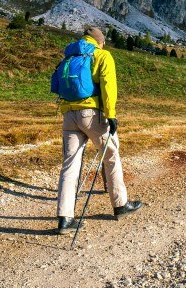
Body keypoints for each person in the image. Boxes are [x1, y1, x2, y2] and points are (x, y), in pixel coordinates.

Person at [54, 26, 143, 234]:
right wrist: (111, 115)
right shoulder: (102, 55)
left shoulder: (69, 56)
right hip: (92, 115)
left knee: (70, 164)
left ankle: (65, 218)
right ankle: (120, 204)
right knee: (110, 154)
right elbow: (108, 86)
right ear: (100, 41)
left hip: (68, 115)